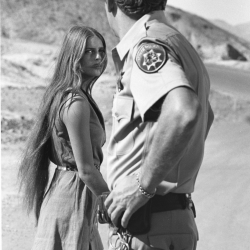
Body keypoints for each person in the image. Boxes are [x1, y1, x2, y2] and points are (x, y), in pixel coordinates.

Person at [97, 0, 214, 249]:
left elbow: (184, 111)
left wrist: (142, 184)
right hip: (173, 221)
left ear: (110, 4)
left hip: (146, 227)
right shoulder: (179, 43)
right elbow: (206, 117)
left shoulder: (148, 44)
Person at [18, 25, 109, 250]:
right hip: (72, 198)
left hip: (72, 193)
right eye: (89, 51)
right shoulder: (75, 102)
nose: (98, 57)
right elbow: (86, 169)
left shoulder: (72, 96)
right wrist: (111, 201)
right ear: (74, 56)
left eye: (101, 50)